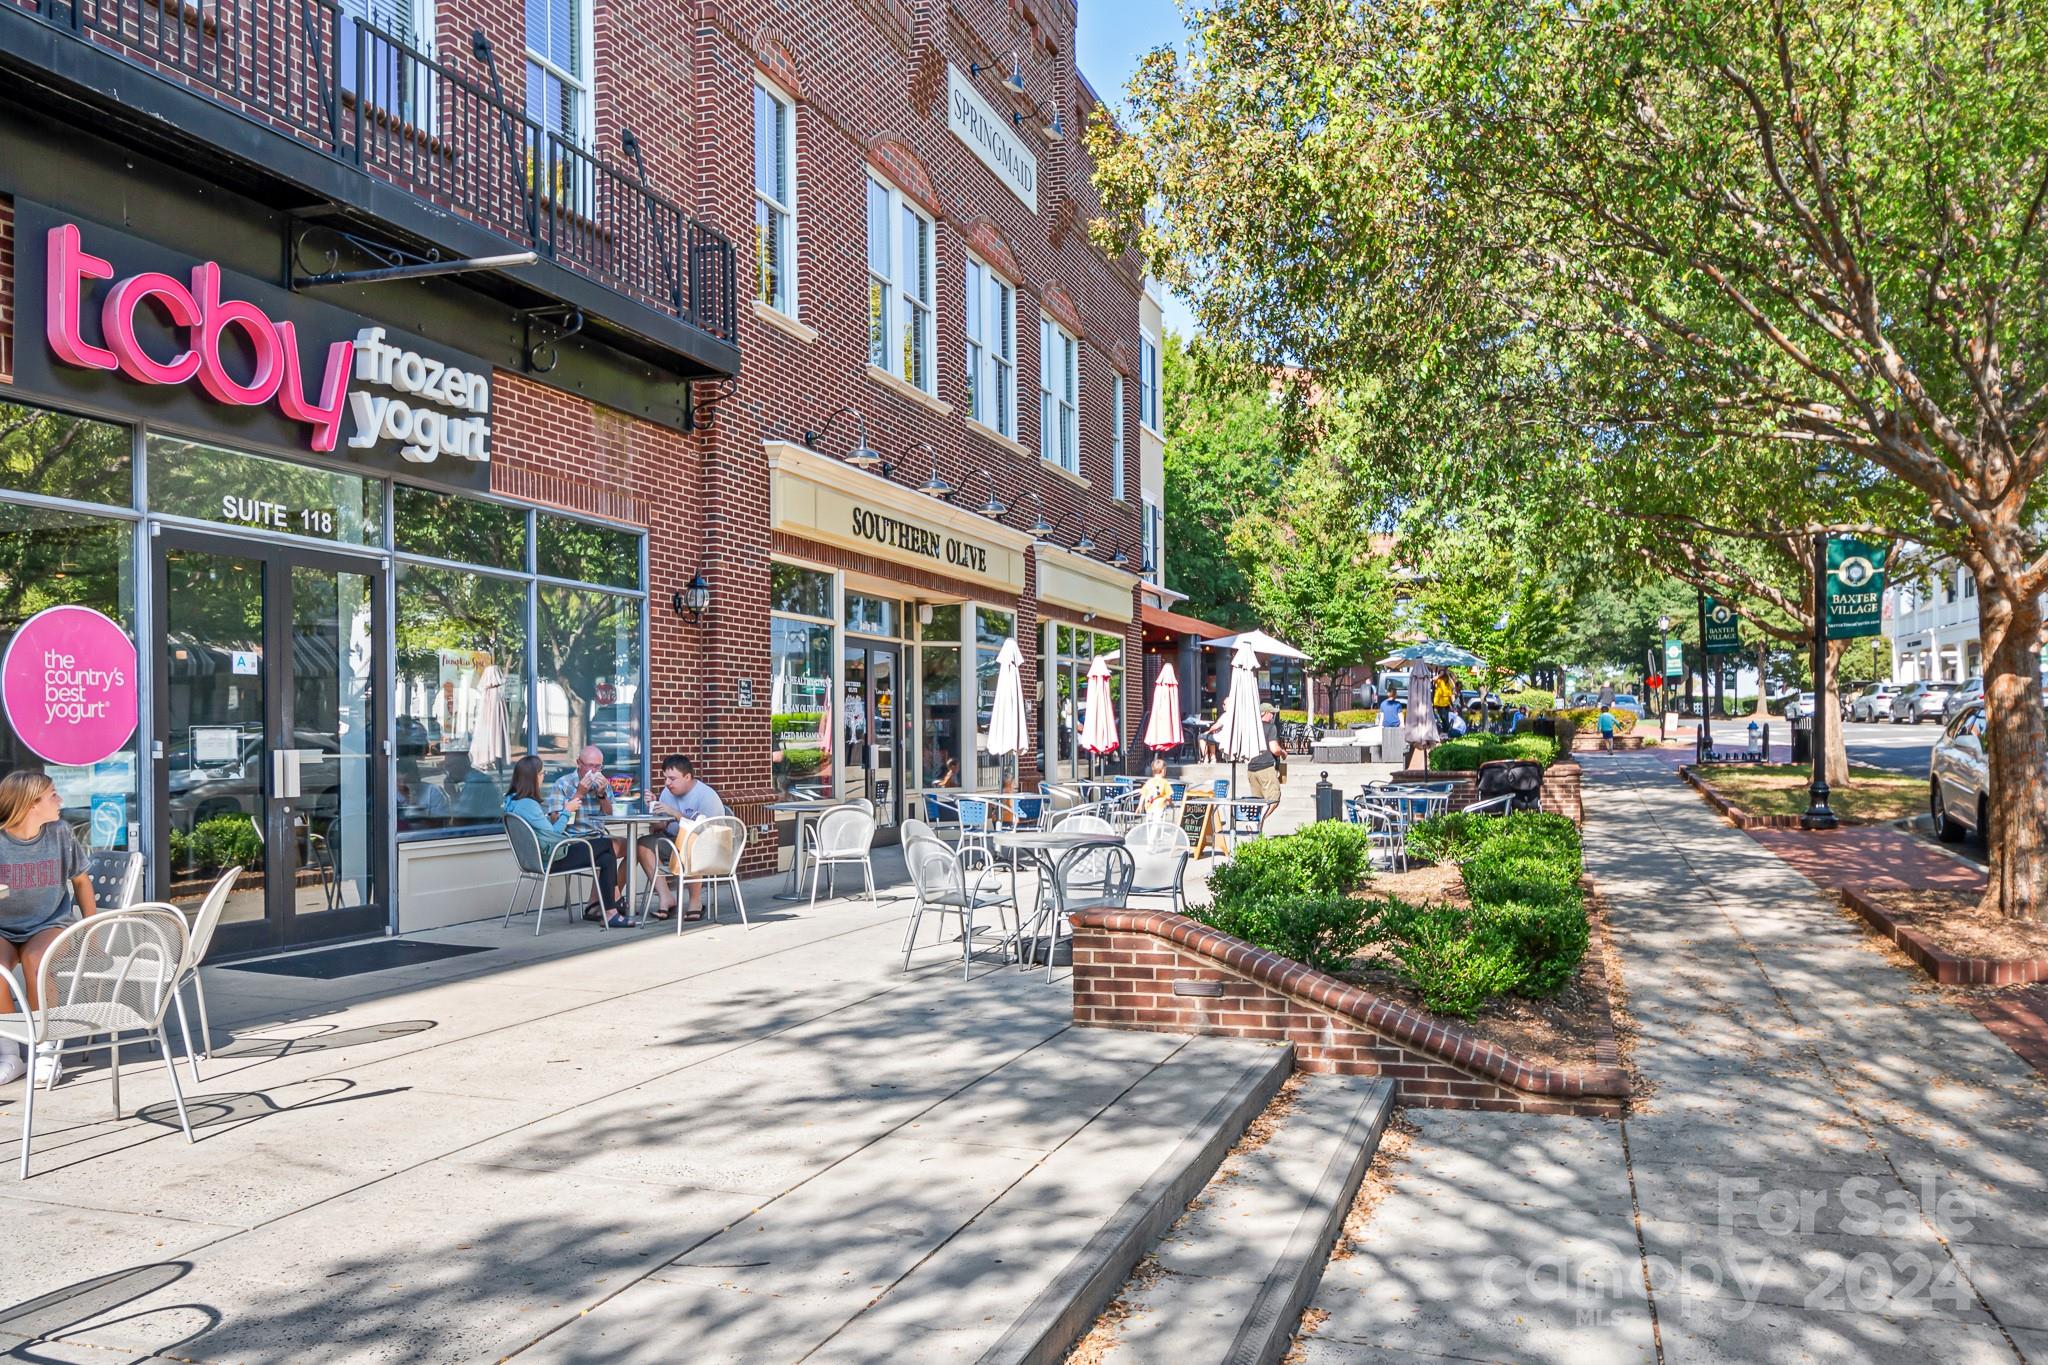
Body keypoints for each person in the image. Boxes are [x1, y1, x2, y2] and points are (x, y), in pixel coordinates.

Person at [0, 770, 98, 1085]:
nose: (60, 800)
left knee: (37, 962)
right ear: (30, 804)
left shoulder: (60, 833)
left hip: (49, 922)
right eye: (53, 795)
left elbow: (81, 882)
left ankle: (45, 1049)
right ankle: (10, 1054)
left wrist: (91, 928)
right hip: (3, 926)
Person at [505, 754, 628, 927]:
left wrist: (601, 795)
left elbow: (545, 832)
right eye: (541, 774)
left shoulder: (512, 801)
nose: (543, 777)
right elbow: (554, 834)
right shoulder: (529, 805)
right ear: (532, 777)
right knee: (606, 845)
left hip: (539, 857)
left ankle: (609, 911)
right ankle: (611, 906)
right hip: (552, 857)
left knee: (606, 858)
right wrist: (567, 810)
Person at [639, 755, 726, 921]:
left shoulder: (706, 795)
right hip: (674, 842)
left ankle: (695, 903)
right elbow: (660, 828)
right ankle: (666, 898)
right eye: (665, 778)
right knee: (643, 844)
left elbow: (706, 832)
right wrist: (654, 808)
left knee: (692, 844)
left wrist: (675, 814)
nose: (667, 783)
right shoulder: (667, 793)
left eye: (672, 779)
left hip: (709, 845)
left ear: (687, 777)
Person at [552, 745, 621, 915]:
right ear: (578, 763)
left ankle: (598, 901)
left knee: (634, 847)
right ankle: (614, 899)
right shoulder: (563, 783)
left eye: (599, 766)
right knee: (608, 850)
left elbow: (610, 815)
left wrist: (602, 794)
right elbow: (555, 821)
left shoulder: (603, 783)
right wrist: (580, 793)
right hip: (574, 840)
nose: (594, 770)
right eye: (591, 766)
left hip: (599, 837)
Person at [1245, 702, 1286, 810]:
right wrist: (1282, 752)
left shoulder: (1250, 727)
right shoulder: (1271, 727)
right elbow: (1274, 749)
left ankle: (1254, 824)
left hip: (1251, 769)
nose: (1273, 716)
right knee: (1274, 798)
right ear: (1265, 713)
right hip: (1266, 768)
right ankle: (1260, 821)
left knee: (1257, 802)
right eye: (1271, 713)